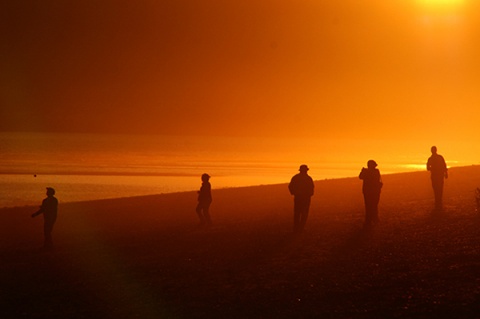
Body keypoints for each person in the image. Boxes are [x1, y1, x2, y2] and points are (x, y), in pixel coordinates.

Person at [288, 164, 314, 232]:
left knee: (297, 212)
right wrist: (310, 194)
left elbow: (290, 186)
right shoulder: (308, 178)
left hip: (298, 197)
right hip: (305, 198)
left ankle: (296, 227)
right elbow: (311, 187)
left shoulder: (296, 177)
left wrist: (293, 193)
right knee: (304, 213)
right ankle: (301, 227)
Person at [359, 160, 382, 227]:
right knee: (373, 205)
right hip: (373, 191)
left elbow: (360, 177)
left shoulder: (368, 172)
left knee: (370, 205)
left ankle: (370, 220)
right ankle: (373, 219)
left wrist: (363, 171)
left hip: (369, 191)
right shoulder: (375, 171)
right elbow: (360, 177)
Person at [426, 146, 448, 210]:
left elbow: (428, 168)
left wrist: (432, 168)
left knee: (436, 188)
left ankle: (438, 201)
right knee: (439, 188)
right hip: (438, 175)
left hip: (436, 176)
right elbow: (444, 165)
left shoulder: (431, 158)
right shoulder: (439, 157)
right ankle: (438, 201)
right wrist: (446, 173)